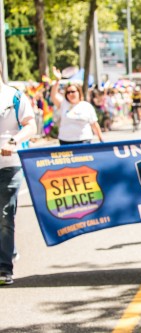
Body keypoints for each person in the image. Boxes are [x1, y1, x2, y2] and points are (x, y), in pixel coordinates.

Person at [0, 62, 37, 286]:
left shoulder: (13, 96)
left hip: (9, 164)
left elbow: (30, 125)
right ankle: (9, 249)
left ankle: (4, 268)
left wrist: (15, 141)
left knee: (5, 214)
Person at [50, 67, 104, 145]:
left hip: (83, 141)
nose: (70, 94)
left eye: (73, 91)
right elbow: (53, 95)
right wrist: (57, 81)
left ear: (79, 92)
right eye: (68, 92)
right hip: (65, 141)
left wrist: (101, 140)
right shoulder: (63, 104)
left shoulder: (86, 106)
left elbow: (94, 124)